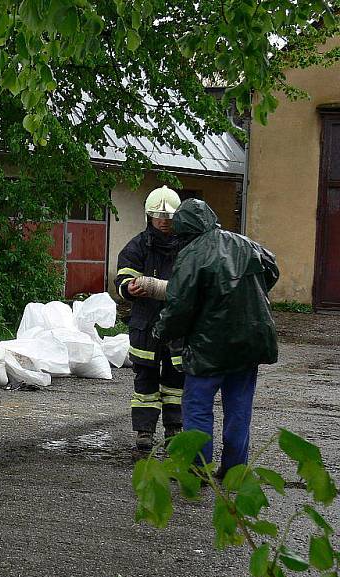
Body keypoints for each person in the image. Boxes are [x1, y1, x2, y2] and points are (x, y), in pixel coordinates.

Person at [153, 198, 279, 474]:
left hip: (207, 347)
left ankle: (198, 469)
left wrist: (161, 332)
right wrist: (247, 294)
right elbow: (272, 269)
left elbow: (179, 307)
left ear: (184, 229)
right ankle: (234, 470)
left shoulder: (191, 255)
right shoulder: (244, 244)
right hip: (249, 342)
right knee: (238, 409)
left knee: (197, 407)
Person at [115, 185, 185, 454]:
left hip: (175, 326)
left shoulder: (186, 246)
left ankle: (174, 429)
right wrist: (128, 288)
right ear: (149, 217)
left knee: (175, 380)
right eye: (158, 217)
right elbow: (122, 278)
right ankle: (144, 432)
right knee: (144, 380)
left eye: (168, 218)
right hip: (145, 325)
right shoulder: (138, 246)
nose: (163, 222)